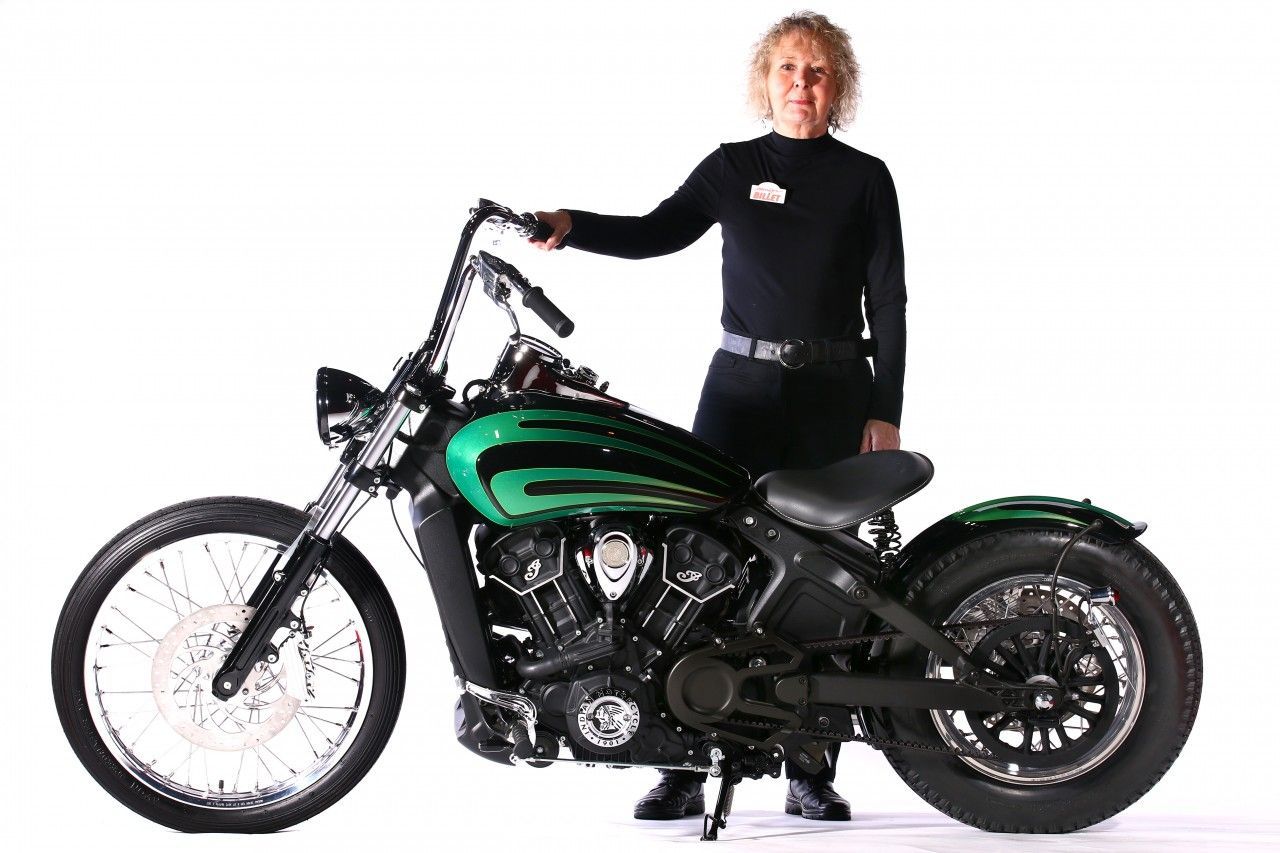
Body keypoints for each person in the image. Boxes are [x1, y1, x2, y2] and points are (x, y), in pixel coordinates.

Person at [529, 11, 905, 823]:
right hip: (739, 389)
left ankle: (809, 765)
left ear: (837, 86)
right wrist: (572, 226)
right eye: (788, 69)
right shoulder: (733, 167)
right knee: (699, 563)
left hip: (835, 392)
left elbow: (889, 299)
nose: (801, 84)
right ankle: (682, 764)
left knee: (821, 582)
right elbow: (656, 231)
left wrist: (887, 409)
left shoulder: (866, 177)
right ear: (764, 81)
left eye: (817, 72)